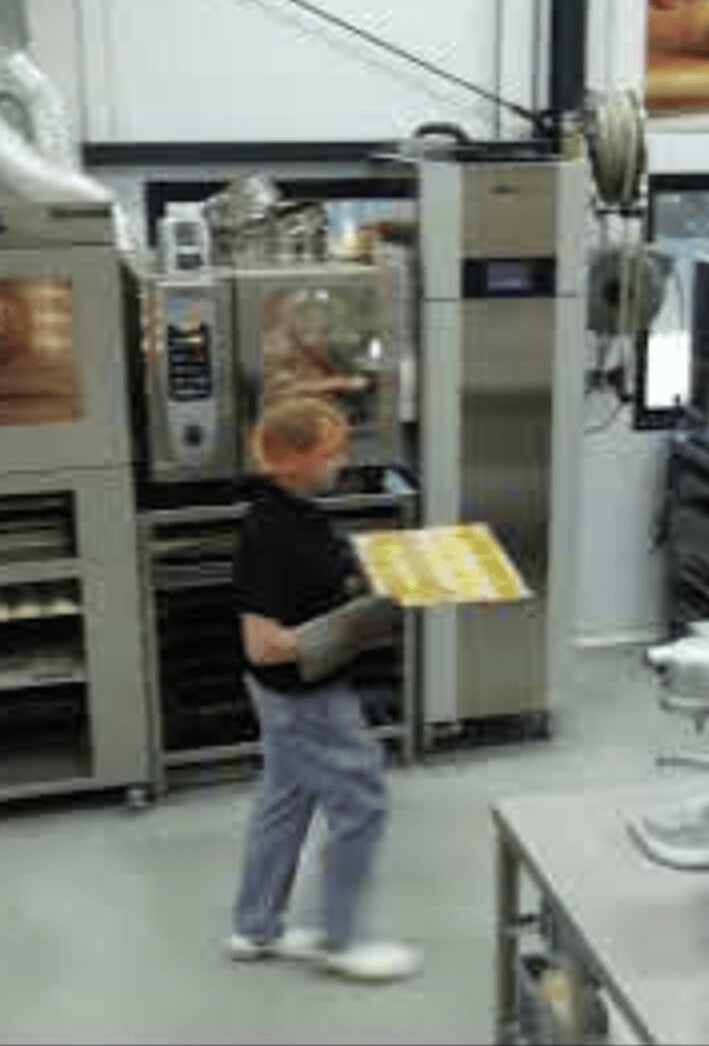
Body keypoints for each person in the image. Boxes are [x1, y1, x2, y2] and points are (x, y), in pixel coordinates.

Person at [226, 397, 421, 983]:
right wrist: (362, 621)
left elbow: (319, 579)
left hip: (290, 695)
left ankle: (255, 926)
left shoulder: (297, 510)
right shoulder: (269, 534)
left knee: (285, 798)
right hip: (304, 698)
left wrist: (382, 577)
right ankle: (342, 940)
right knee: (362, 803)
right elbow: (263, 645)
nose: (340, 461)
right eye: (328, 452)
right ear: (290, 461)